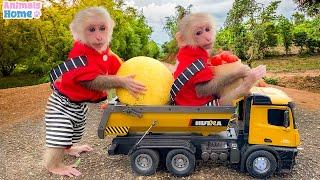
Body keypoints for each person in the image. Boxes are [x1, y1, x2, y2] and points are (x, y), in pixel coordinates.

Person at [43, 7, 146, 177]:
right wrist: (120, 81)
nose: (99, 36)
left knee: (75, 129)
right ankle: (53, 164)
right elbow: (92, 82)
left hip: (79, 105)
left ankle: (68, 148)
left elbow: (121, 68)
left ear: (110, 28)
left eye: (102, 28)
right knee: (61, 132)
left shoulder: (104, 51)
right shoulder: (80, 52)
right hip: (62, 103)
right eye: (91, 30)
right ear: (78, 33)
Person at [171, 13, 265, 106]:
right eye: (198, 33)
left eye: (207, 30)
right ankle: (246, 86)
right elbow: (202, 91)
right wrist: (237, 74)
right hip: (195, 107)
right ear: (183, 39)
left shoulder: (188, 53)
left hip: (186, 101)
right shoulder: (194, 60)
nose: (208, 38)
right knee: (223, 102)